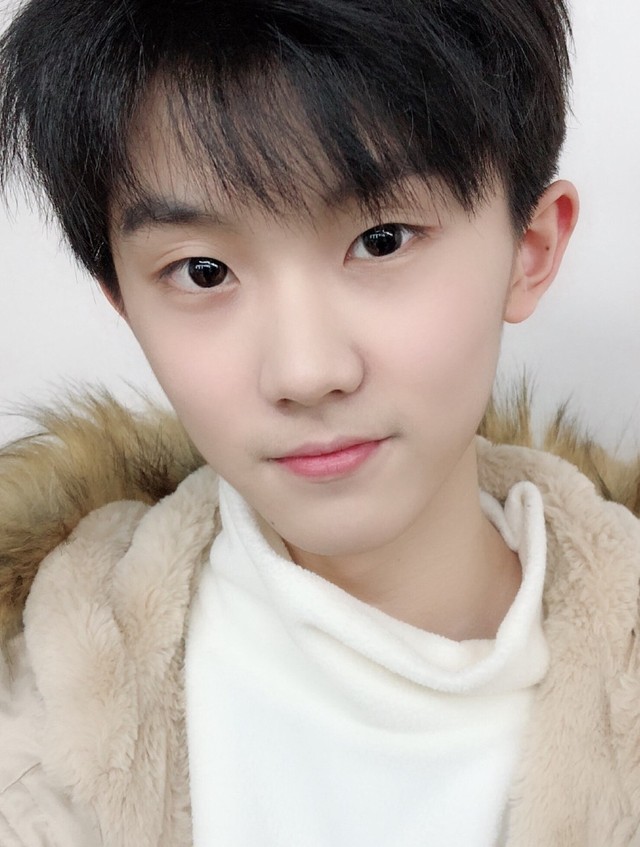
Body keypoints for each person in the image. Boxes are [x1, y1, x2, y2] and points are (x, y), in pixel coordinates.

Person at [0, 0, 638, 844]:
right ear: (121, 299)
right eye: (203, 271)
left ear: (530, 248)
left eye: (382, 240)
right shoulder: (35, 731)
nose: (305, 371)